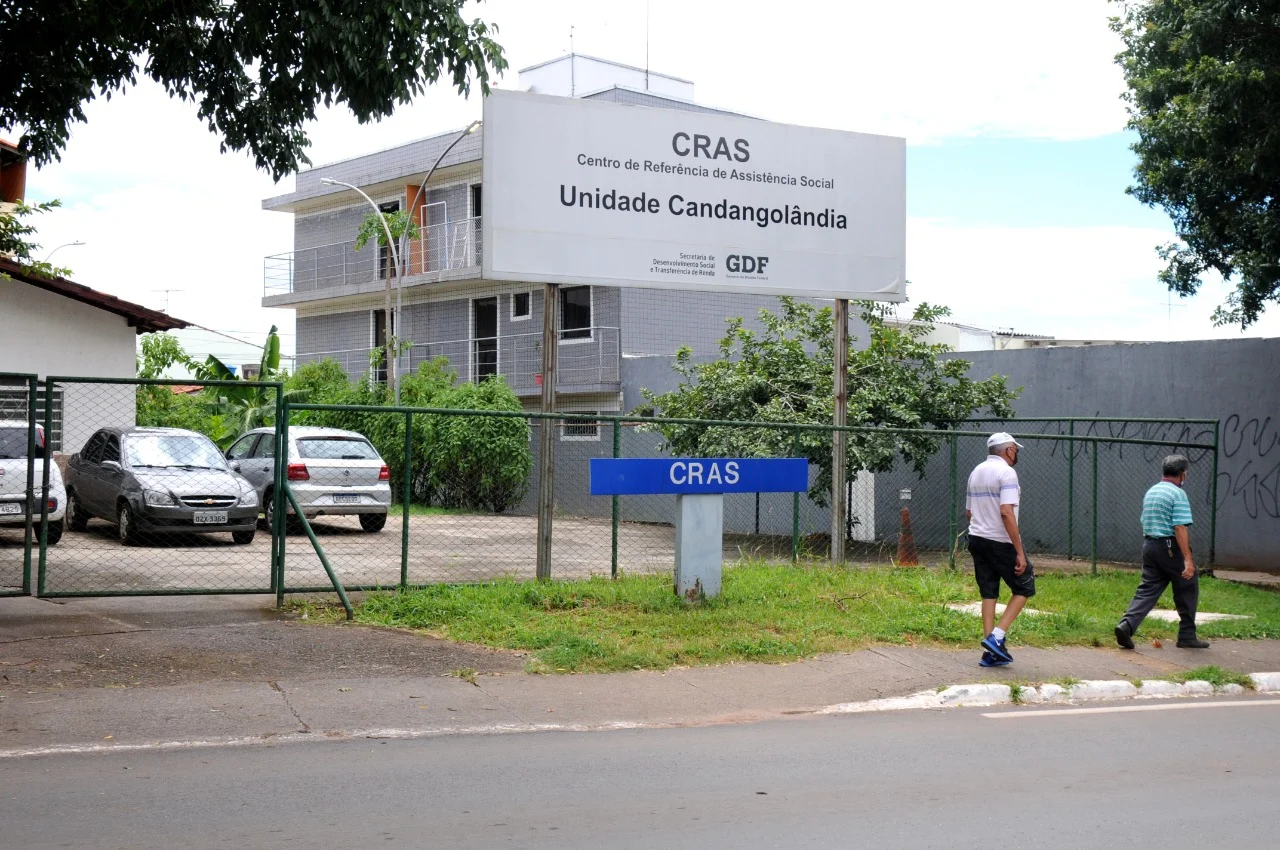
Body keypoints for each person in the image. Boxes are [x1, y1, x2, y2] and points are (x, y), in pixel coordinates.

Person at [1115, 455, 1209, 650]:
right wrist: (1188, 559)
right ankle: (1187, 635)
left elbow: (1144, 520)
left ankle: (1127, 625)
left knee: (1148, 589)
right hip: (1169, 546)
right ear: (1183, 474)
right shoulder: (1177, 494)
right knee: (1187, 585)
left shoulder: (1152, 491)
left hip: (1150, 545)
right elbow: (1180, 527)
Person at [966, 432, 1033, 667]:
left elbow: (969, 512)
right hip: (1000, 540)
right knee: (1024, 586)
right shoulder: (1007, 473)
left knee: (989, 592)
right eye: (1015, 449)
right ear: (1008, 451)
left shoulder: (976, 472)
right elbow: (1006, 512)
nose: (1017, 453)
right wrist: (1019, 551)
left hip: (977, 538)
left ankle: (990, 652)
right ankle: (997, 636)